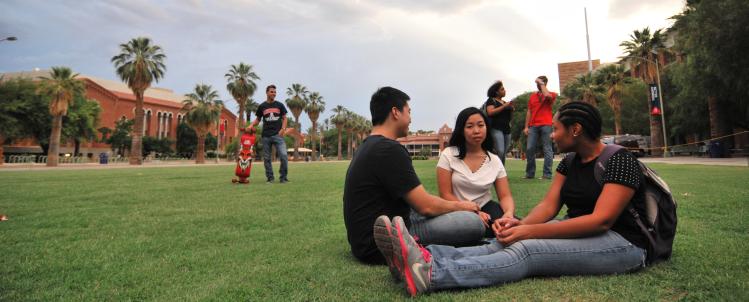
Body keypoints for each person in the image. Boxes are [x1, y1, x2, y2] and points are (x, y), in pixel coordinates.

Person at [375, 102, 649, 297]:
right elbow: (549, 206)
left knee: (526, 251)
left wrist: (527, 232)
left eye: (555, 129)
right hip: (582, 229)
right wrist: (517, 228)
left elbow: (601, 221)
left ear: (575, 130)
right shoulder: (570, 162)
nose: (551, 135)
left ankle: (431, 274)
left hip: (624, 243)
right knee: (501, 241)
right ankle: (421, 256)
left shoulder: (619, 159)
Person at [343, 87, 486, 270]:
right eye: (408, 112)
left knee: (447, 211)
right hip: (380, 242)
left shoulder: (368, 146)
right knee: (473, 223)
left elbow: (415, 201)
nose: (410, 118)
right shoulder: (389, 149)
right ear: (395, 112)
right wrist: (463, 205)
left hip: (363, 239)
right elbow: (425, 206)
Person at [436, 107, 516, 237]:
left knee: (511, 228)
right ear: (461, 130)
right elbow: (445, 194)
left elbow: (505, 196)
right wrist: (472, 212)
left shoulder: (494, 160)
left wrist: (508, 214)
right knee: (474, 230)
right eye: (469, 126)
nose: (476, 131)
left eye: (481, 125)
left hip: (486, 207)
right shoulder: (449, 155)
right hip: (456, 208)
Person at [249, 85, 289, 183]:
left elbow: (284, 118)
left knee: (283, 156)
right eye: (272, 92)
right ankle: (270, 178)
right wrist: (251, 125)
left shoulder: (280, 105)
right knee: (267, 159)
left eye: (275, 92)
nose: (274, 94)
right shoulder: (262, 106)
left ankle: (283, 178)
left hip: (278, 135)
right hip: (266, 136)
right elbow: (258, 120)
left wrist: (283, 129)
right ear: (267, 93)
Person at [524, 75, 557, 179]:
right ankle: (530, 174)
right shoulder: (532, 96)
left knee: (547, 149)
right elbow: (529, 111)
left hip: (546, 124)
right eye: (537, 83)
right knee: (529, 149)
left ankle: (547, 174)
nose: (537, 85)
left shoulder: (552, 94)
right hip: (533, 126)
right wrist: (526, 127)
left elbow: (547, 96)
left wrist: (541, 83)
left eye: (539, 83)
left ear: (544, 83)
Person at [484, 81, 514, 164]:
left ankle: (501, 173)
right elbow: (490, 112)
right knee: (500, 151)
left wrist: (511, 109)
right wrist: (504, 106)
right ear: (496, 92)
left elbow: (510, 119)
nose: (505, 90)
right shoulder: (491, 100)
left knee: (503, 153)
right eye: (502, 89)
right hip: (496, 128)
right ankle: (496, 172)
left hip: (507, 130)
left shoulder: (505, 102)